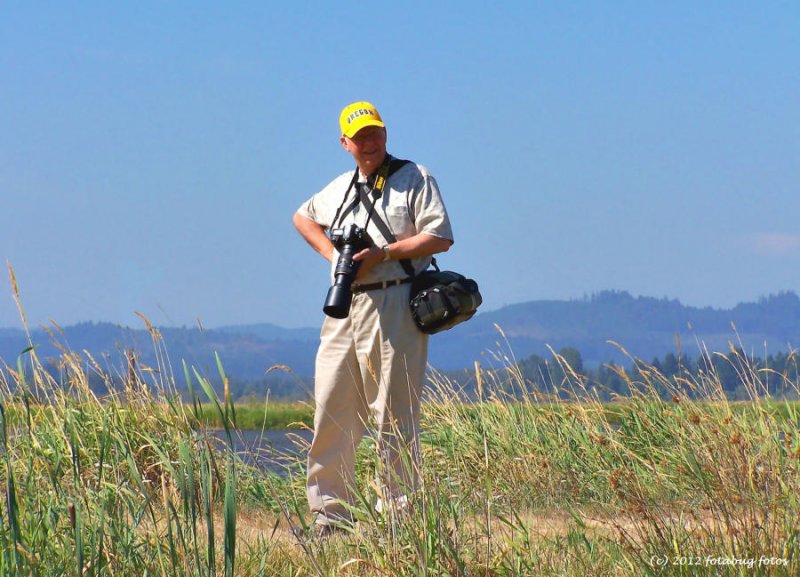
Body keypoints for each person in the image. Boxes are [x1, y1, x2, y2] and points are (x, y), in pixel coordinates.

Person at [293, 101, 454, 534]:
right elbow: (302, 217)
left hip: (396, 300)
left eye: (375, 133)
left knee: (394, 413)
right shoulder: (340, 188)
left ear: (386, 133)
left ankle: (399, 522)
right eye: (359, 136)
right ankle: (329, 518)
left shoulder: (414, 177)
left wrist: (383, 254)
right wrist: (335, 260)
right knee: (331, 408)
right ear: (344, 143)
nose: (369, 143)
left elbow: (440, 236)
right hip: (345, 303)